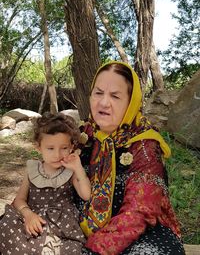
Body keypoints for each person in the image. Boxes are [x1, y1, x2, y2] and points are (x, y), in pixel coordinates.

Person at [76, 61, 185, 255]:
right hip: (77, 226)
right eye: (98, 93)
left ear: (130, 102)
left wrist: (94, 248)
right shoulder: (81, 136)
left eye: (115, 96)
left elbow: (140, 211)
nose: (103, 102)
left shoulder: (144, 145)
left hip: (138, 233)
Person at [0, 112, 91, 255]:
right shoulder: (32, 170)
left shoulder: (70, 171)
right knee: (6, 227)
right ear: (38, 147)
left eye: (64, 148)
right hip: (34, 221)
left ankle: (50, 247)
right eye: (50, 148)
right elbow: (19, 200)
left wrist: (78, 168)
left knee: (73, 250)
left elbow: (86, 195)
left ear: (72, 147)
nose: (57, 154)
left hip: (63, 226)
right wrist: (28, 215)